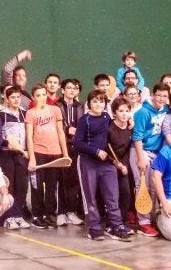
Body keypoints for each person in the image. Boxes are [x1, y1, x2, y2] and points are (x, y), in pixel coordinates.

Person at [74, 90, 130, 242]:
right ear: (89, 104)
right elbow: (77, 143)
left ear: (105, 104)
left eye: (101, 102)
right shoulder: (84, 120)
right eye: (95, 101)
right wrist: (96, 151)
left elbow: (118, 127)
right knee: (91, 198)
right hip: (88, 164)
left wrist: (129, 122)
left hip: (107, 165)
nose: (98, 104)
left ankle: (116, 227)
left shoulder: (106, 117)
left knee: (112, 197)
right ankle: (94, 229)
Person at [130, 83, 171, 237]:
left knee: (155, 187)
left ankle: (152, 219)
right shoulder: (143, 112)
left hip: (157, 153)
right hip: (141, 151)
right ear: (152, 95)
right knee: (143, 187)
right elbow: (137, 137)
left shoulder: (166, 109)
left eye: (165, 96)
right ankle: (143, 223)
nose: (162, 98)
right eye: (159, 95)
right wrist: (141, 158)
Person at [26, 84, 69, 229]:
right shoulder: (30, 113)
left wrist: (65, 155)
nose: (42, 98)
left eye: (44, 94)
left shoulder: (55, 110)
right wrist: (32, 158)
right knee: (37, 186)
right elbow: (29, 137)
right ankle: (37, 216)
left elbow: (61, 133)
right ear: (33, 97)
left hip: (55, 153)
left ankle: (49, 215)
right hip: (38, 153)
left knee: (51, 187)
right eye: (38, 95)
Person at [0, 86, 31, 229]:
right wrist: (7, 143)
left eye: (18, 97)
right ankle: (7, 217)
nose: (16, 100)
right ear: (6, 98)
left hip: (21, 154)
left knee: (22, 186)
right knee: (8, 186)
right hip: (6, 154)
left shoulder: (24, 113)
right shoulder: (1, 114)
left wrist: (27, 151)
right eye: (13, 97)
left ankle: (18, 215)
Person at [54, 79, 85, 226]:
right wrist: (67, 130)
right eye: (69, 88)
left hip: (76, 147)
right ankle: (60, 212)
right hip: (61, 147)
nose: (72, 90)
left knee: (73, 180)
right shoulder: (56, 106)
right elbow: (55, 125)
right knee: (61, 180)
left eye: (75, 88)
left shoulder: (81, 106)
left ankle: (71, 212)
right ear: (62, 90)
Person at [107, 97, 134, 235]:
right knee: (111, 197)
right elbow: (105, 150)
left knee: (126, 194)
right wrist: (115, 164)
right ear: (114, 113)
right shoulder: (109, 129)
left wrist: (124, 166)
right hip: (108, 166)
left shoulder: (130, 129)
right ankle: (111, 224)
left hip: (123, 166)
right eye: (121, 111)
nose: (124, 114)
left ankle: (122, 223)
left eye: (127, 111)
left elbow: (128, 151)